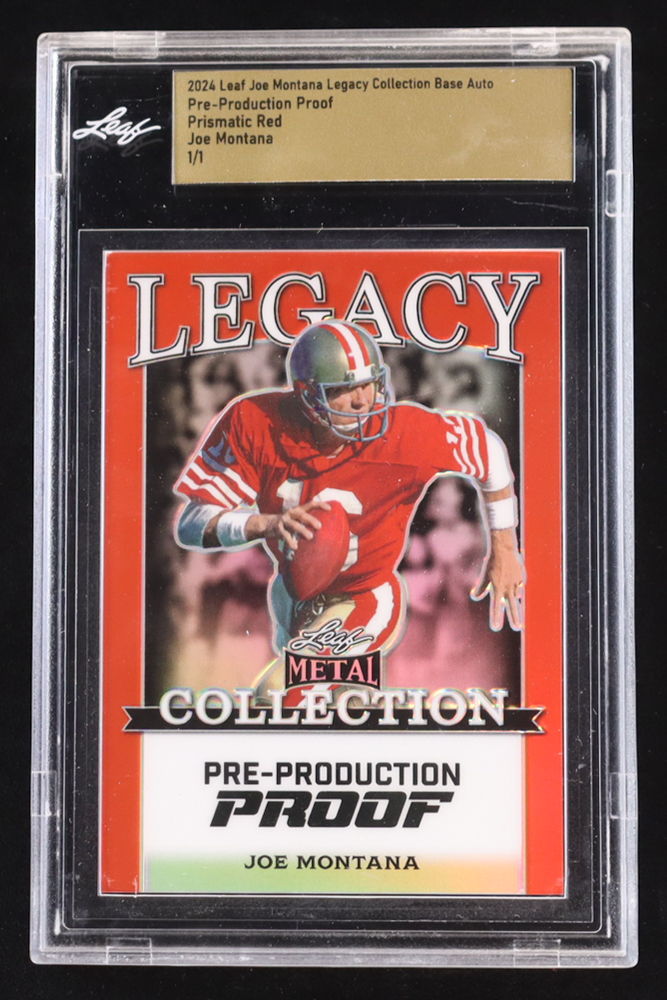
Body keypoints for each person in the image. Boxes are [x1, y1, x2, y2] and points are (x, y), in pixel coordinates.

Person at [174, 320, 525, 701]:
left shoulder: (405, 434)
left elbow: (488, 452)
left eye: (369, 384)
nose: (363, 401)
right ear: (307, 395)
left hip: (365, 594)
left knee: (278, 695)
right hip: (293, 596)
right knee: (332, 704)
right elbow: (191, 524)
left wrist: (505, 548)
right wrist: (263, 524)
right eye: (343, 389)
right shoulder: (256, 421)